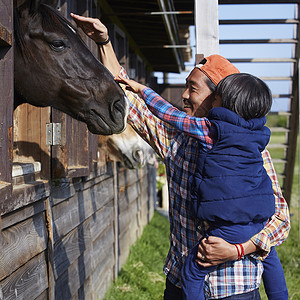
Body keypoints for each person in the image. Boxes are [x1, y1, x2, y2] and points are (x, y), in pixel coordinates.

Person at [70, 13, 290, 300]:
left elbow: (281, 221)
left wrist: (237, 249)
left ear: (217, 100)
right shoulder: (174, 140)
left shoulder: (251, 151)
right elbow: (128, 95)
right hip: (181, 285)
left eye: (193, 88)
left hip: (236, 287)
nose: (184, 95)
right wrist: (105, 41)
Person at [114, 72, 288, 300]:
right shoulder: (258, 138)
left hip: (226, 242)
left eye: (216, 97)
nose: (185, 95)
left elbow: (169, 114)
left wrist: (142, 89)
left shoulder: (210, 130)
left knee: (193, 270)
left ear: (225, 102)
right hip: (256, 222)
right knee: (270, 257)